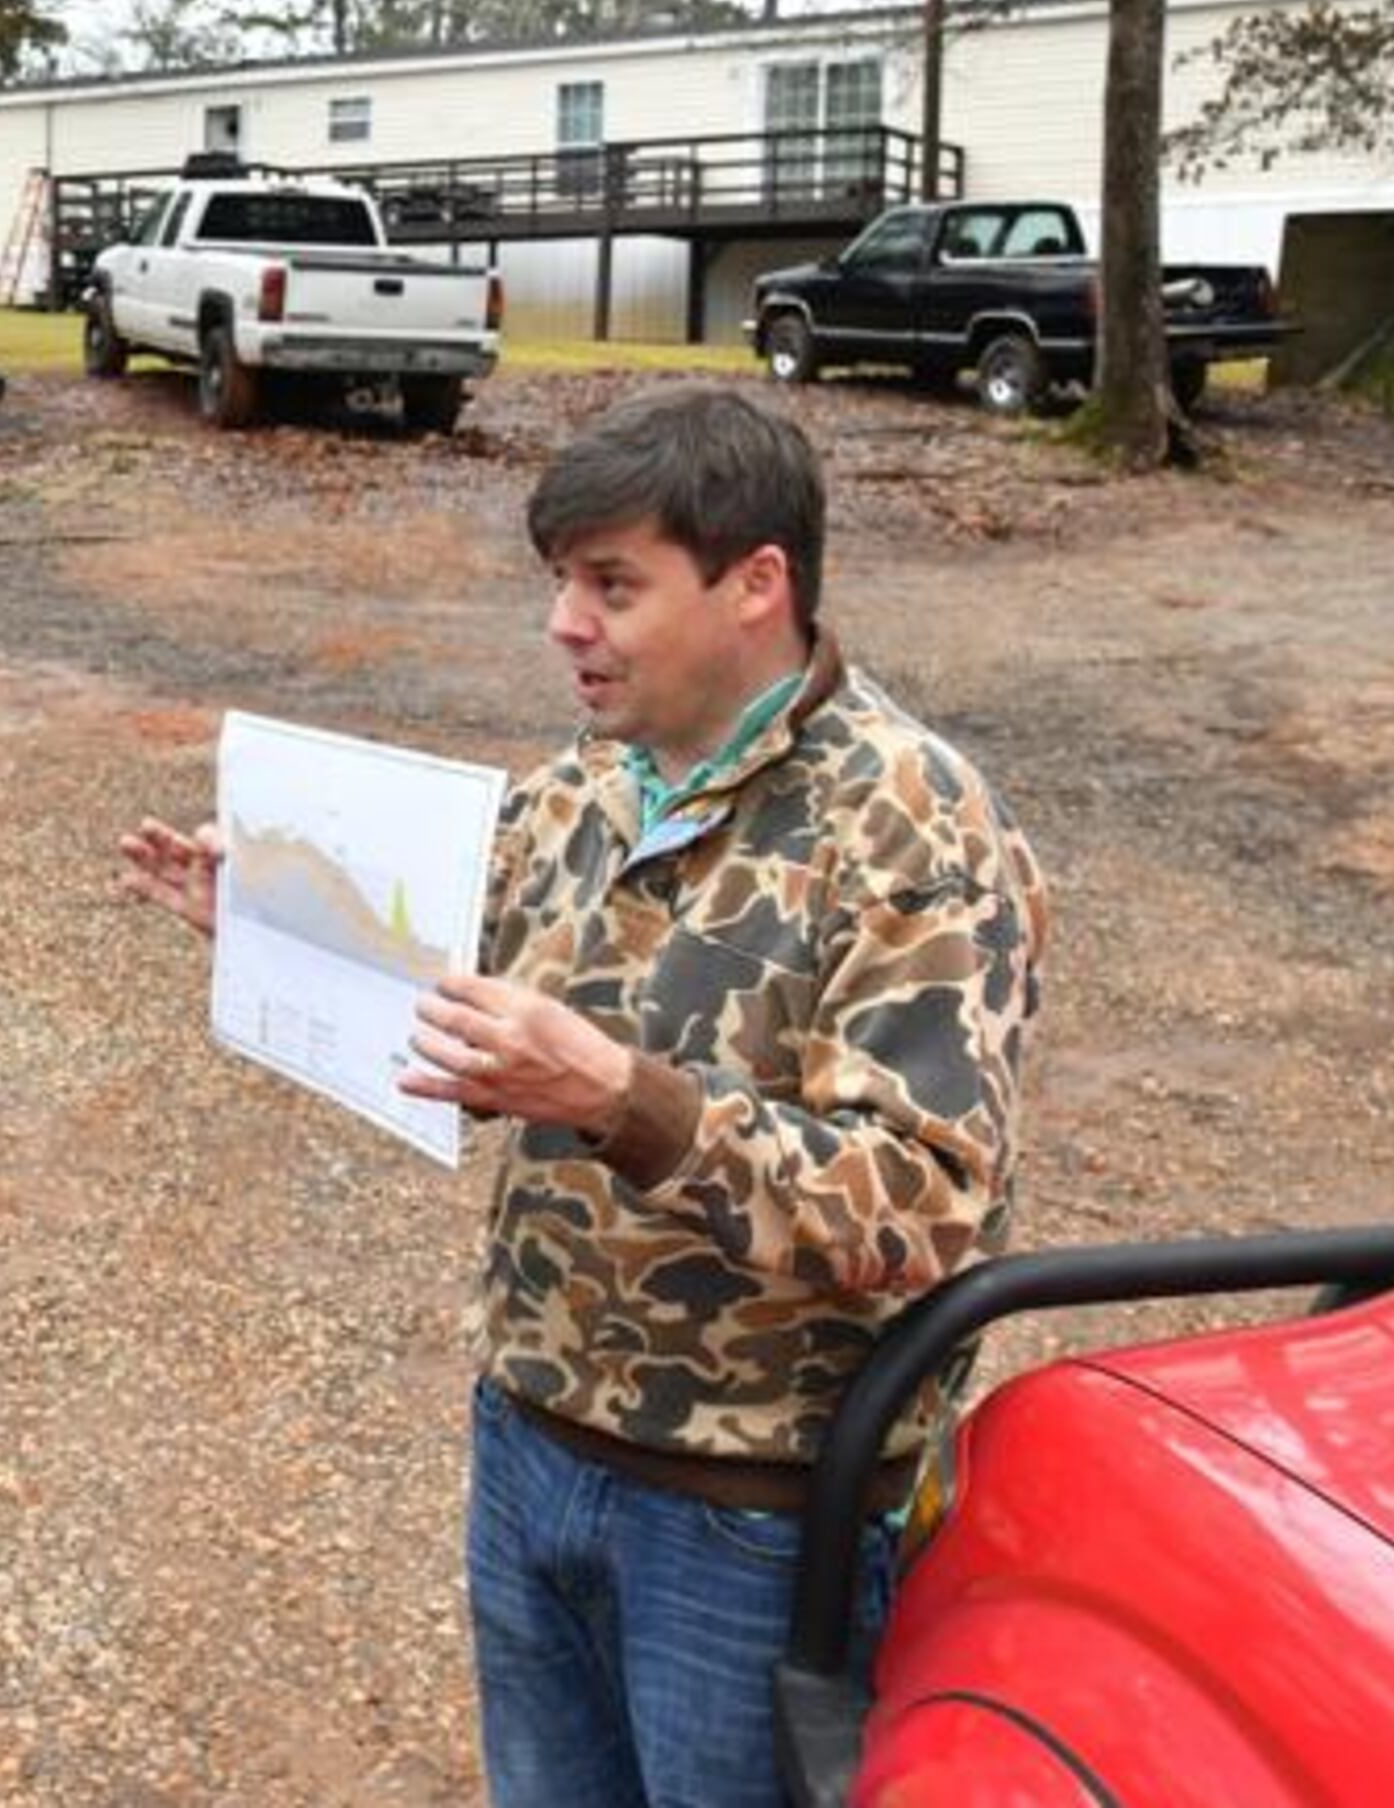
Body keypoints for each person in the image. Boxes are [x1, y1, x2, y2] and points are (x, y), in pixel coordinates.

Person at [120, 388, 1047, 1808]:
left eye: (613, 585)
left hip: (751, 1517)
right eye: (561, 582)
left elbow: (918, 1207)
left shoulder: (915, 826)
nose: (565, 622)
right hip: (532, 1440)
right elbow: (475, 996)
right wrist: (279, 921)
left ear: (757, 585)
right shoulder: (584, 786)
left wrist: (627, 1098)